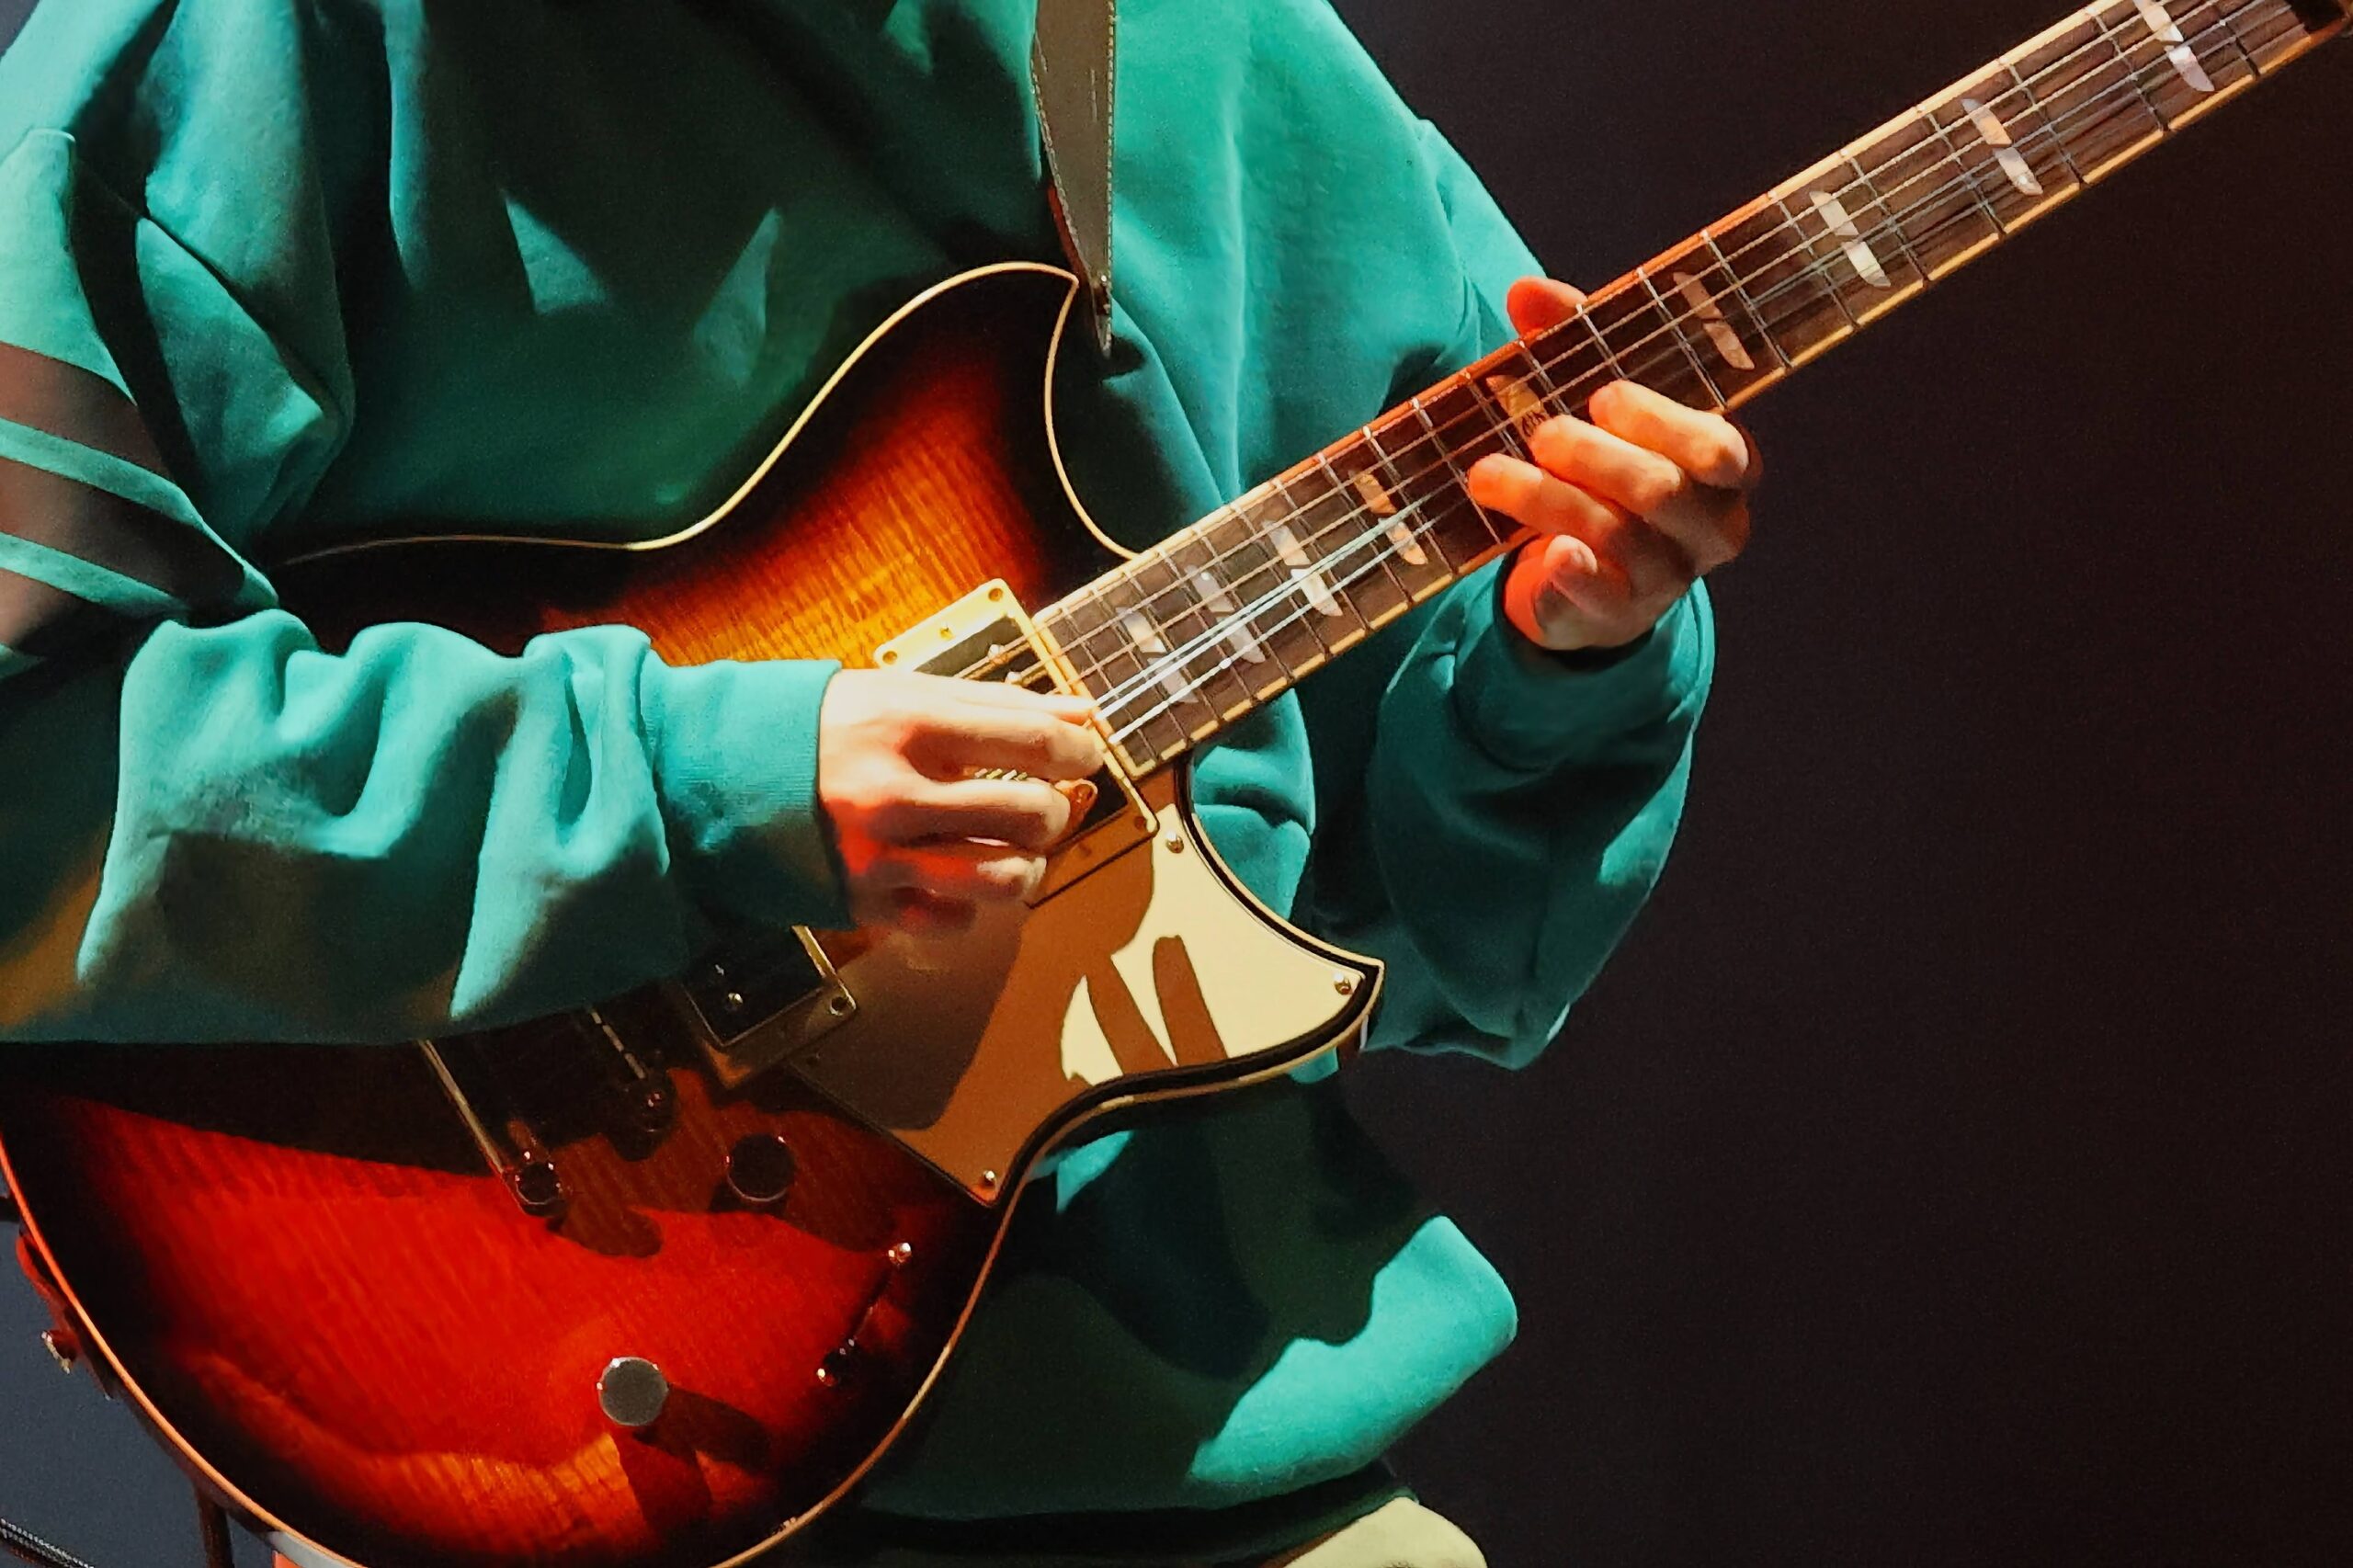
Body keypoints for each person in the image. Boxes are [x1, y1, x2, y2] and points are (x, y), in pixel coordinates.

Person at [0, 0, 1757, 1562]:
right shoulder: (266, 42)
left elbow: (1444, 943)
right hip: (519, 1442)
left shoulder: (1246, 61)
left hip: (1225, 1471)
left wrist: (1567, 657)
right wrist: (701, 788)